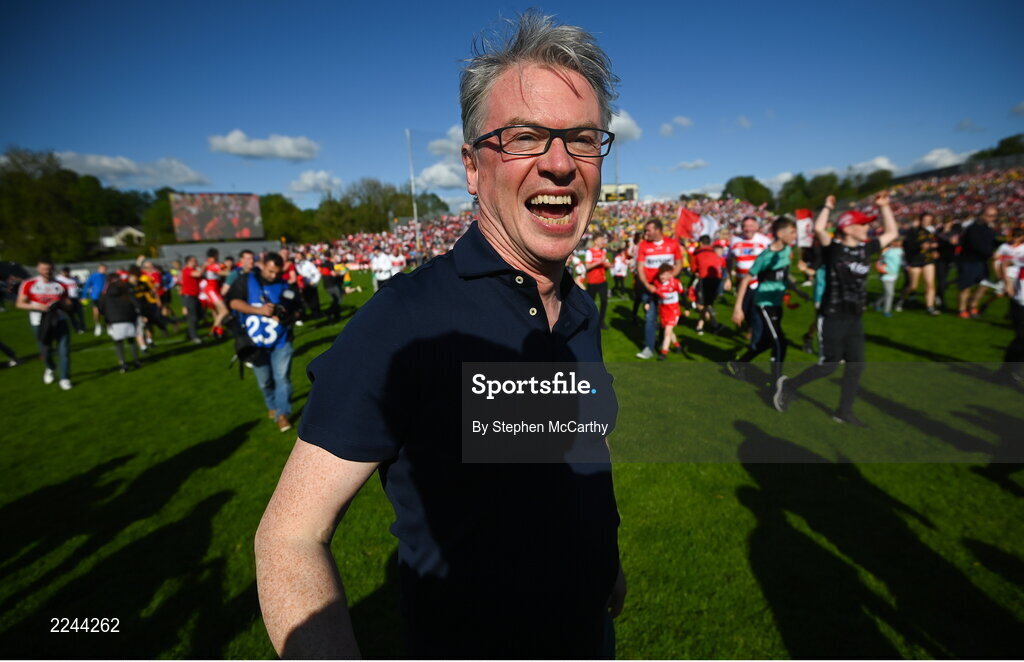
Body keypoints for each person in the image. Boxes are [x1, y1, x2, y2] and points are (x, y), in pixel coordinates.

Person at [255, 12, 624, 659]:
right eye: (526, 137)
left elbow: (575, 458)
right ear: (472, 166)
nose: (561, 164)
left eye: (583, 139)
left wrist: (603, 558)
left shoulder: (582, 311)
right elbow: (289, 537)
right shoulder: (403, 321)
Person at [774, 192, 899, 426]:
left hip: (854, 318)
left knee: (856, 366)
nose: (868, 229)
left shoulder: (865, 250)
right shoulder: (834, 250)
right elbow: (820, 229)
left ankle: (844, 411)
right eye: (862, 225)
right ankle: (789, 385)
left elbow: (892, 233)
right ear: (848, 228)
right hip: (832, 316)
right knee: (829, 365)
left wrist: (885, 207)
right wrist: (827, 208)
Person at [227, 253, 300, 432]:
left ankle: (283, 413)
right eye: (270, 271)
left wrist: (285, 315)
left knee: (282, 378)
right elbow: (233, 302)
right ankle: (272, 405)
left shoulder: (286, 286)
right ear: (262, 265)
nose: (273, 275)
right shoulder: (246, 280)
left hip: (281, 341)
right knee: (265, 382)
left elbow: (298, 310)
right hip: (255, 344)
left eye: (277, 272)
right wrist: (257, 310)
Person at [729, 217, 804, 384]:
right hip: (763, 303)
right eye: (792, 232)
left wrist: (798, 290)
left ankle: (739, 363)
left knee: (766, 341)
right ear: (779, 233)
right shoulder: (765, 256)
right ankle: (777, 382)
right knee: (779, 341)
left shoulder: (786, 251)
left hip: (776, 303)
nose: (795, 235)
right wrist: (738, 308)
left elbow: (782, 276)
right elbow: (746, 279)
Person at [16, 260, 73, 390]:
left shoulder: (60, 285)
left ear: (52, 269)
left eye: (48, 269)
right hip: (39, 322)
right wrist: (37, 306)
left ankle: (65, 378)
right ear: (38, 269)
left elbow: (68, 303)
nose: (46, 271)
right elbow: (20, 303)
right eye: (43, 269)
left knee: (64, 350)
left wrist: (64, 305)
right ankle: (50, 367)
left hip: (60, 320)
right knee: (45, 350)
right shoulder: (29, 284)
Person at [634, 219, 683, 359]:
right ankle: (649, 348)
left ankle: (662, 344)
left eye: (648, 230)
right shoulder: (643, 245)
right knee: (650, 318)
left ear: (658, 230)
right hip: (650, 289)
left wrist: (669, 279)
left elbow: (679, 264)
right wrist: (647, 285)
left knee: (665, 319)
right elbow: (640, 268)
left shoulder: (672, 243)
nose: (646, 233)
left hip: (668, 291)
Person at [728, 216, 772, 333]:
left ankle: (755, 337)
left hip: (757, 283)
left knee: (754, 311)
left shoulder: (765, 241)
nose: (747, 229)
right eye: (745, 226)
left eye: (751, 226)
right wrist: (728, 277)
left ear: (757, 227)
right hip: (740, 282)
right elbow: (729, 260)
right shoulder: (735, 241)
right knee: (744, 309)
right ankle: (749, 327)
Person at [957, 205, 997, 318]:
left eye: (993, 216)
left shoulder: (990, 229)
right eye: (989, 215)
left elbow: (993, 242)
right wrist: (991, 254)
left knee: (984, 285)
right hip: (969, 260)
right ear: (982, 215)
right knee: (966, 286)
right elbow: (976, 245)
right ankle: (962, 309)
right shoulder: (972, 228)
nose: (991, 218)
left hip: (982, 262)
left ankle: (973, 305)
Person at [895, 212, 939, 315]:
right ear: (921, 220)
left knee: (930, 284)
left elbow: (931, 244)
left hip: (928, 260)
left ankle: (930, 307)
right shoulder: (913, 231)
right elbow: (907, 246)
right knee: (913, 286)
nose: (927, 222)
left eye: (929, 220)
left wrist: (934, 251)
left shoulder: (931, 231)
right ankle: (901, 299)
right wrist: (919, 246)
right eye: (925, 220)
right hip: (915, 260)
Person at [98, 274, 142, 373]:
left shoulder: (105, 293)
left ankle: (122, 364)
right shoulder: (125, 290)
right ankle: (136, 360)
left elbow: (101, 308)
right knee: (131, 340)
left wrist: (106, 319)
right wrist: (137, 314)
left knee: (118, 343)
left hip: (114, 321)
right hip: (128, 318)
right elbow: (135, 303)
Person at [690, 235, 729, 335]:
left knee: (702, 304)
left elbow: (694, 270)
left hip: (705, 279)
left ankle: (714, 324)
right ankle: (703, 326)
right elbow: (722, 265)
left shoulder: (697, 253)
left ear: (701, 243)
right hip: (717, 280)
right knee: (707, 304)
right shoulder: (714, 253)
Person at [651, 263, 683, 360]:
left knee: (667, 332)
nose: (662, 277)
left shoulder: (675, 283)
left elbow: (683, 294)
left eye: (665, 274)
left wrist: (688, 308)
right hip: (663, 310)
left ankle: (663, 353)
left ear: (670, 274)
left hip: (673, 310)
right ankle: (677, 346)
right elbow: (654, 294)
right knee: (668, 331)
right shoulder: (656, 282)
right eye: (661, 274)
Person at [584, 233, 612, 329]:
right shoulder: (589, 252)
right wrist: (599, 262)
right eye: (601, 240)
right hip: (592, 282)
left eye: (603, 240)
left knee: (604, 301)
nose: (603, 242)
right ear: (595, 241)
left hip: (603, 281)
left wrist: (607, 264)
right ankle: (589, 321)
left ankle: (601, 321)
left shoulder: (603, 252)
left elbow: (608, 264)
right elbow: (587, 267)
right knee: (590, 303)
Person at [875, 237, 904, 317]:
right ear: (892, 242)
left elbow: (902, 260)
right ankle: (886, 311)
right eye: (898, 242)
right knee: (890, 294)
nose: (900, 243)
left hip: (894, 275)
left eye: (900, 242)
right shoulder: (886, 250)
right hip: (886, 275)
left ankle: (877, 304)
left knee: (887, 293)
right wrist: (882, 270)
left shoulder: (901, 250)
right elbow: (879, 262)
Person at [179, 255, 203, 344]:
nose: (196, 262)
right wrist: (204, 266)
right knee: (192, 317)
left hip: (194, 296)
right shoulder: (186, 270)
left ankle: (189, 334)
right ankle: (194, 336)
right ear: (188, 262)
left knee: (197, 316)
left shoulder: (192, 270)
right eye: (194, 261)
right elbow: (198, 274)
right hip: (189, 296)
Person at [57, 267, 86, 333]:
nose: (67, 273)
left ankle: (82, 327)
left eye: (68, 271)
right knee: (72, 315)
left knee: (80, 314)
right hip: (68, 299)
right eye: (65, 272)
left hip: (76, 298)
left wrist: (80, 297)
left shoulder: (74, 279)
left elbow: (79, 288)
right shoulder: (59, 279)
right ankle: (77, 328)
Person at [83, 263, 108, 336]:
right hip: (95, 297)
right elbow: (87, 286)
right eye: (102, 268)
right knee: (96, 312)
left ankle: (108, 326)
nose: (104, 270)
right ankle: (98, 325)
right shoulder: (93, 276)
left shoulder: (107, 277)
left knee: (107, 312)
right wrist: (84, 296)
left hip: (105, 297)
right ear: (99, 269)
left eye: (105, 269)